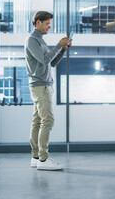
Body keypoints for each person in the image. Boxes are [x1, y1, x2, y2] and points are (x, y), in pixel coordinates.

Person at [25, 11, 72, 170]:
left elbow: (50, 63)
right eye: (47, 23)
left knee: (38, 121)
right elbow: (45, 59)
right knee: (48, 121)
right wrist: (58, 45)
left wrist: (63, 49)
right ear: (38, 22)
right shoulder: (32, 40)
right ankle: (43, 160)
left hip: (43, 84)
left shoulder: (40, 41)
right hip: (40, 85)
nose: (49, 26)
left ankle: (36, 157)